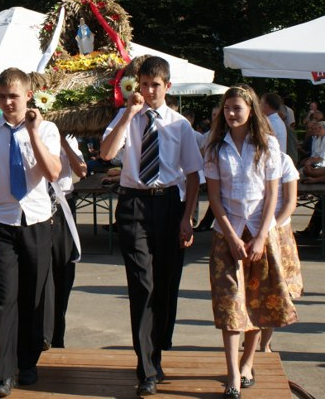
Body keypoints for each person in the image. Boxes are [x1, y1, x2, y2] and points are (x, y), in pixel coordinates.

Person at [99, 56, 202, 397]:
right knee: (142, 285)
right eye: (143, 85)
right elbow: (106, 153)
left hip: (169, 203)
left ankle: (157, 351)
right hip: (134, 203)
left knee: (165, 285)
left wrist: (187, 217)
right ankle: (146, 368)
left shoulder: (179, 125)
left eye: (155, 85)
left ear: (167, 87)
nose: (149, 91)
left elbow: (193, 175)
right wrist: (127, 115)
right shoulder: (127, 117)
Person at [0, 68, 61, 398]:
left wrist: (33, 133)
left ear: (28, 96)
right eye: (1, 97)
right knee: (4, 297)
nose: (7, 102)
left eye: (13, 96)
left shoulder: (47, 129)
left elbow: (53, 172)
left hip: (36, 221)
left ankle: (28, 361)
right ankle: (4, 372)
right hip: (0, 224)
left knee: (33, 296)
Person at [203, 85, 297, 399]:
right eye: (227, 108)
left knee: (257, 301)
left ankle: (247, 362)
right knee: (230, 303)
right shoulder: (215, 147)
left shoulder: (267, 144)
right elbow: (214, 198)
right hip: (227, 232)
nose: (231, 114)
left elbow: (272, 196)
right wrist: (231, 236)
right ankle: (232, 372)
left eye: (237, 108)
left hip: (260, 232)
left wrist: (261, 237)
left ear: (250, 110)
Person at [43, 132, 87, 349]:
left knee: (63, 271)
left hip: (63, 207)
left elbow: (82, 171)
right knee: (40, 272)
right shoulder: (31, 133)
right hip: (37, 206)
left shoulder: (68, 138)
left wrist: (63, 143)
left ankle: (57, 335)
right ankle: (42, 334)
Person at [259, 151, 301, 353]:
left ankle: (265, 343)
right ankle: (251, 337)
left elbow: (290, 202)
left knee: (273, 289)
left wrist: (272, 227)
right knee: (252, 288)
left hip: (278, 231)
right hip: (250, 228)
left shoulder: (283, 160)